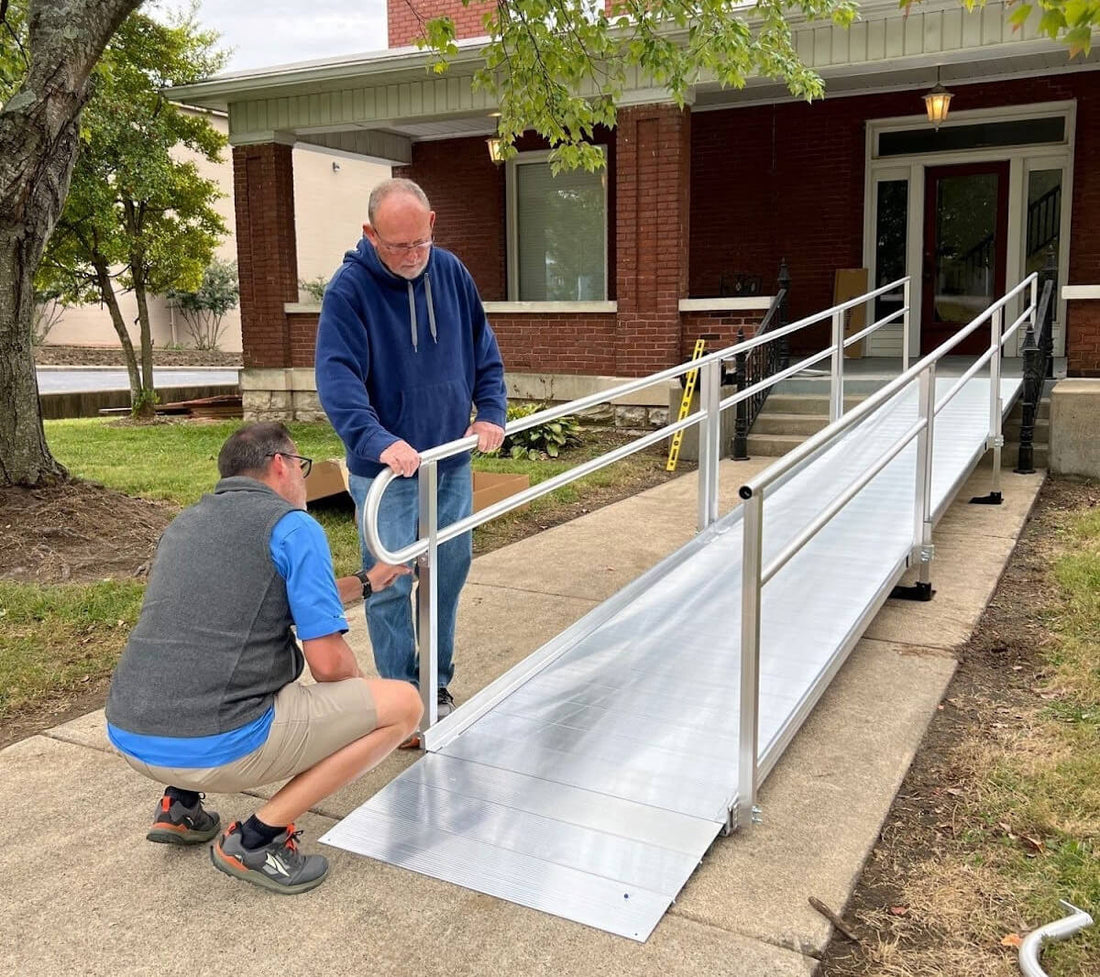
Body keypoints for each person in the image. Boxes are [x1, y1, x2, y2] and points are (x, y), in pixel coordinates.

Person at [105, 422, 422, 895]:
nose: (301, 478)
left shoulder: (185, 523)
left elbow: (261, 601)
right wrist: (363, 697)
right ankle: (258, 839)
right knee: (403, 706)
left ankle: (179, 808)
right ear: (281, 464)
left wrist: (367, 580)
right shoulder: (293, 527)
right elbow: (329, 665)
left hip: (130, 733)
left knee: (219, 658)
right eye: (301, 466)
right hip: (220, 744)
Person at [314, 177, 507, 734]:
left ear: (432, 225)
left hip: (449, 462)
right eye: (398, 246)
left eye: (419, 242)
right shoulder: (349, 292)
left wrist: (491, 411)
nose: (412, 256)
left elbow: (484, 355)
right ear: (370, 234)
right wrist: (379, 441)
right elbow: (338, 381)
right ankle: (400, 697)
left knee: (449, 569)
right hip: (388, 474)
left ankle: (435, 682)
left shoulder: (450, 273)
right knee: (391, 581)